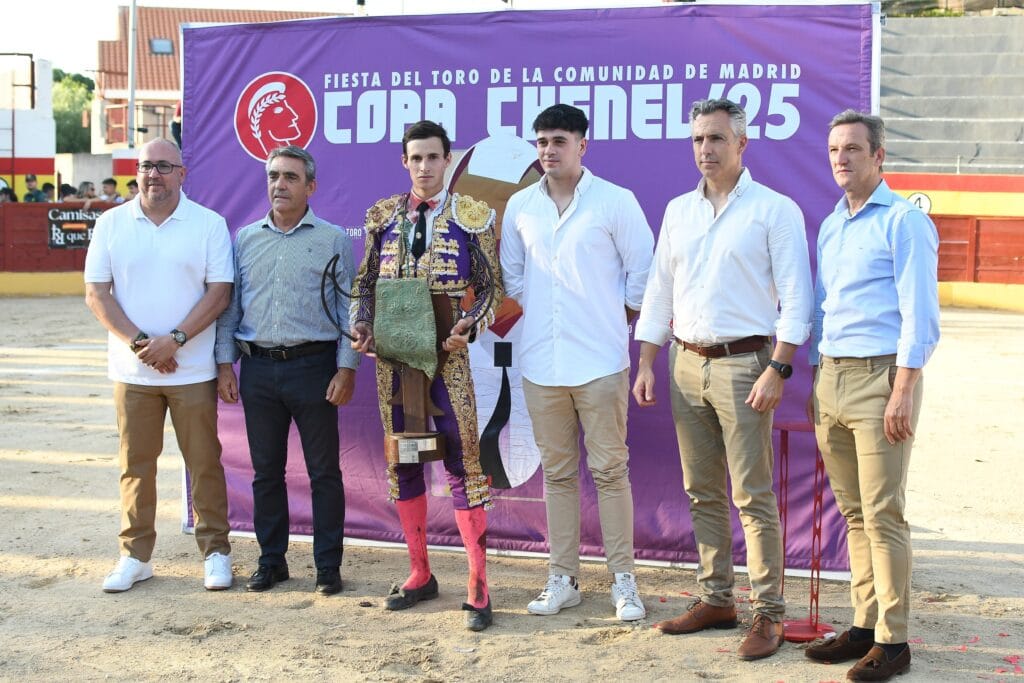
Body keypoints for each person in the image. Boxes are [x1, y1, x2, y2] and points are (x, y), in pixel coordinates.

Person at [632, 98, 813, 660]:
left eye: (715, 139)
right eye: (697, 140)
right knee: (701, 489)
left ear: (742, 144)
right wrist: (645, 359)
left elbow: (797, 295)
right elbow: (660, 289)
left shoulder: (774, 210)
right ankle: (716, 598)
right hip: (685, 363)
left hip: (747, 366)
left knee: (752, 494)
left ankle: (768, 614)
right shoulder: (678, 211)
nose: (705, 149)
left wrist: (779, 366)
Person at [500, 103, 654, 623]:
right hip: (541, 363)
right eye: (541, 142)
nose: (548, 151)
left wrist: (609, 318)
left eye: (558, 141)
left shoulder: (615, 202)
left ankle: (623, 581)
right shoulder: (521, 207)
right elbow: (514, 279)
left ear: (582, 145)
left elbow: (642, 275)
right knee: (558, 476)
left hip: (602, 362)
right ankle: (562, 578)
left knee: (611, 472)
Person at [350, 120, 503, 632]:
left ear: (446, 159)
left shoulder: (471, 215)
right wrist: (363, 325)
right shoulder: (381, 216)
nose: (424, 167)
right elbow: (365, 283)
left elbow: (490, 288)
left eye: (433, 157)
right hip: (394, 361)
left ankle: (478, 584)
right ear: (404, 162)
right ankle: (420, 572)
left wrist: (470, 324)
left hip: (448, 357)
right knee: (405, 459)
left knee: (463, 460)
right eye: (415, 158)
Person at [803, 110, 939, 682]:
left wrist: (903, 389)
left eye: (854, 149)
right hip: (831, 376)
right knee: (855, 514)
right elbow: (823, 308)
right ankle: (863, 626)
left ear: (878, 156)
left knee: (884, 514)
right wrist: (815, 376)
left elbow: (921, 316)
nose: (841, 158)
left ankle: (895, 639)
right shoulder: (832, 224)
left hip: (882, 377)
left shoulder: (903, 221)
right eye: (835, 149)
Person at [83, 138, 234, 593]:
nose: (154, 174)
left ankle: (216, 552)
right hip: (133, 373)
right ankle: (135, 556)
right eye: (147, 166)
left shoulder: (208, 224)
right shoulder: (110, 223)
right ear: (137, 171)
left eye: (164, 166)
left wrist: (177, 341)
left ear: (182, 174)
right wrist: (142, 344)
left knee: (204, 462)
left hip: (191, 371)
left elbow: (219, 293)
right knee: (135, 465)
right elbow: (96, 293)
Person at [215, 145, 358, 595]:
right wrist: (224, 364)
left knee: (323, 473)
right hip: (258, 370)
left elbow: (349, 307)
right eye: (274, 176)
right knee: (265, 473)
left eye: (291, 177)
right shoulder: (244, 238)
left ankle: (327, 567)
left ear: (310, 186)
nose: (280, 184)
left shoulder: (333, 238)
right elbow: (231, 308)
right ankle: (272, 561)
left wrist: (347, 367)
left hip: (314, 368)